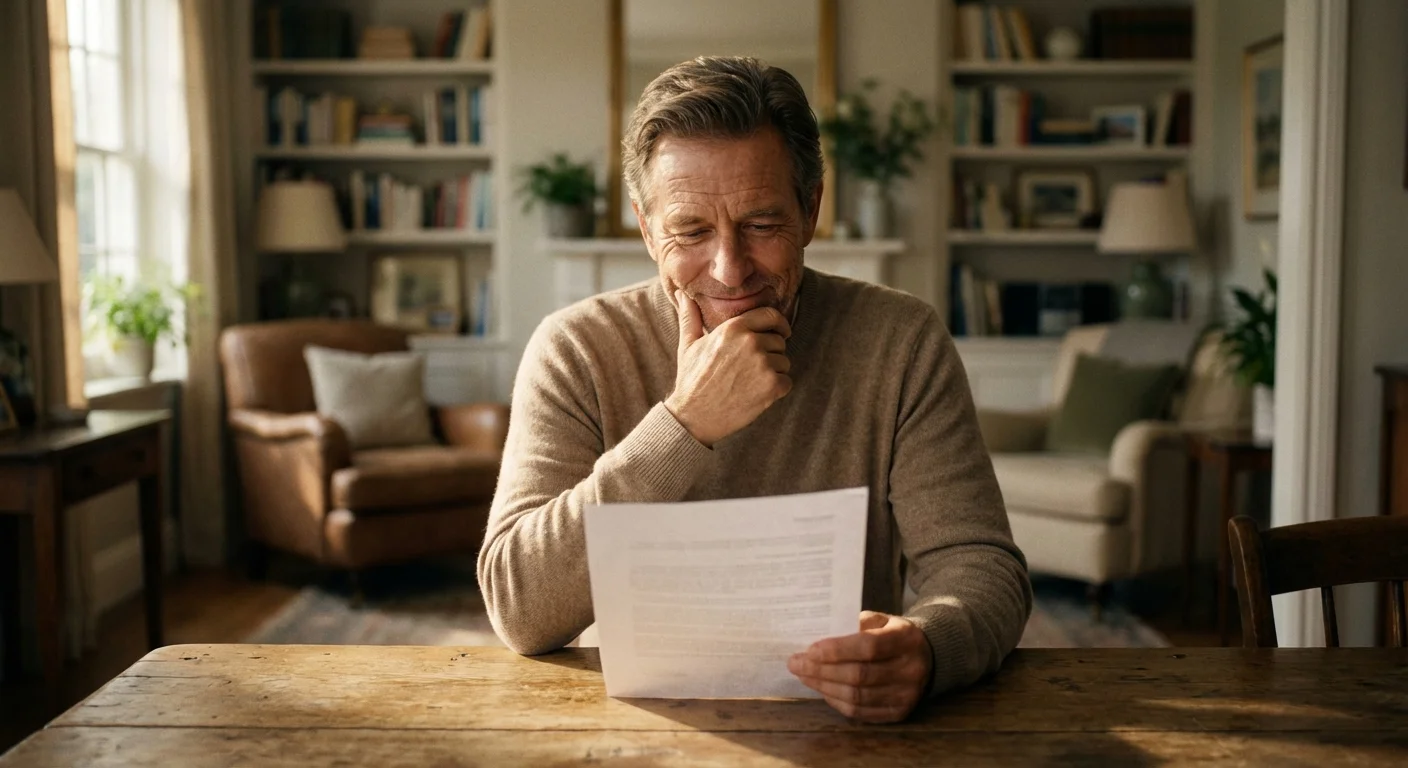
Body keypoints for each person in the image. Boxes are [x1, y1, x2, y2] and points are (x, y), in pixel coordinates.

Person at [479, 56, 1031, 723]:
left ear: (812, 206)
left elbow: (979, 565)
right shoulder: (575, 348)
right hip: (631, 723)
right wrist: (684, 425)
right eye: (690, 230)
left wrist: (928, 646)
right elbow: (520, 608)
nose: (729, 268)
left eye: (763, 225)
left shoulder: (901, 339)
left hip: (845, 725)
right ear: (647, 227)